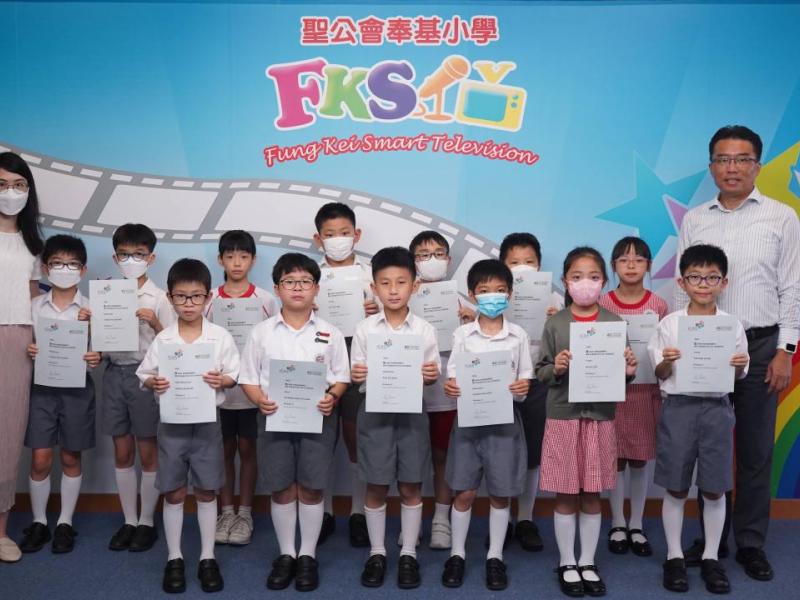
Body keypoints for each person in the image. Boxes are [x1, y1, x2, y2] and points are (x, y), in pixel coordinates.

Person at [676, 125, 800, 581]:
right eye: (724, 159)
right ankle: (712, 539)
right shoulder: (695, 219)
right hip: (706, 342)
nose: (733, 168)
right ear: (711, 167)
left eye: (742, 159)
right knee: (707, 445)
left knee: (754, 450)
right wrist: (682, 341)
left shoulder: (782, 216)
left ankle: (750, 542)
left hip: (762, 345)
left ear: (758, 166)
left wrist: (786, 350)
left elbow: (793, 288)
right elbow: (684, 287)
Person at [240, 252, 350, 592]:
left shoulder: (331, 333)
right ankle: (287, 553)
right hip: (273, 418)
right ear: (277, 288)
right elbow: (248, 379)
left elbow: (342, 377)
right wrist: (259, 400)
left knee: (312, 487)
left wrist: (333, 396)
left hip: (318, 419)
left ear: (316, 288)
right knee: (282, 486)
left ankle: (307, 555)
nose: (298, 288)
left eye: (305, 281)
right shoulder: (261, 333)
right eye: (289, 282)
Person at [536, 246, 637, 597]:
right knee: (565, 493)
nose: (585, 283)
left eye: (593, 277)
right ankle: (567, 561)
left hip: (599, 419)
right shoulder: (555, 323)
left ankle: (588, 561)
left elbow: (622, 377)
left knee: (593, 493)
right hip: (563, 417)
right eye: (577, 277)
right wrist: (556, 368)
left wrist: (628, 371)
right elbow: (541, 372)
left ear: (604, 281)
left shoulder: (614, 324)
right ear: (565, 281)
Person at [649, 244, 749, 594]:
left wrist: (737, 366)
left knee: (715, 487)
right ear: (682, 282)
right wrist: (667, 360)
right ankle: (674, 556)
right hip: (679, 408)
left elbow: (736, 377)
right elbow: (659, 373)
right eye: (695, 277)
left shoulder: (731, 326)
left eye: (711, 277)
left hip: (717, 409)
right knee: (676, 486)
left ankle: (710, 557)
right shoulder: (669, 325)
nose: (703, 284)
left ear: (724, 282)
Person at [136, 259, 240, 594]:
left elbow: (233, 374)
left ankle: (207, 557)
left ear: (208, 297)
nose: (189, 303)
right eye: (181, 297)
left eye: (196, 296)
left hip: (208, 425)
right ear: (170, 298)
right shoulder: (164, 339)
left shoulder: (220, 337)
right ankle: (175, 557)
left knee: (207, 490)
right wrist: (153, 382)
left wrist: (221, 380)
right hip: (172, 426)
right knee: (174, 491)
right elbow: (144, 374)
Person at [350, 246, 440, 589]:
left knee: (411, 485)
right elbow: (356, 373)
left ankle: (408, 554)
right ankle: (377, 552)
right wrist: (358, 374)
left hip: (412, 413)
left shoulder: (425, 330)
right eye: (385, 283)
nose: (393, 290)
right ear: (374, 287)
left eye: (401, 282)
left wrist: (430, 374)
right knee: (375, 484)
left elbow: (432, 374)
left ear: (414, 286)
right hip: (375, 413)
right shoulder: (364, 329)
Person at [440, 259, 532, 591]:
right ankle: (457, 554)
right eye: (484, 290)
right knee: (464, 491)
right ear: (472, 295)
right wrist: (452, 387)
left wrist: (521, 388)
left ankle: (495, 556)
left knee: (500, 493)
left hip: (505, 425)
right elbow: (452, 376)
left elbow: (525, 380)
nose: (492, 296)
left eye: (500, 290)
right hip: (469, 423)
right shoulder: (463, 334)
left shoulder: (518, 335)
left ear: (510, 294)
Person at [19, 235, 101, 555]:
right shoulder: (34, 307)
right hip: (41, 390)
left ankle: (65, 522)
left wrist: (95, 354)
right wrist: (29, 349)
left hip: (78, 390)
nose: (64, 269)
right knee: (40, 458)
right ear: (45, 268)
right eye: (57, 263)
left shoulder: (92, 309)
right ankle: (39, 521)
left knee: (70, 456)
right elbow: (21, 346)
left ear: (83, 270)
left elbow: (100, 352)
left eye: (71, 264)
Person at [104, 223, 175, 553]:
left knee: (148, 452)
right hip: (113, 374)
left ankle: (146, 521)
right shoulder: (106, 293)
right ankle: (129, 520)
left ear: (151, 258)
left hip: (145, 378)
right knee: (122, 452)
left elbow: (174, 344)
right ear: (115, 258)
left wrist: (156, 322)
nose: (131, 260)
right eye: (124, 254)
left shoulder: (160, 298)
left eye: (139, 254)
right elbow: (100, 343)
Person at [313, 202, 379, 546]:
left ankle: (357, 512)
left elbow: (391, 315)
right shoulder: (310, 275)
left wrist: (375, 310)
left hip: (358, 360)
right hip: (318, 358)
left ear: (357, 235)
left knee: (356, 438)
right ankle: (323, 512)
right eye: (329, 234)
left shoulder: (371, 277)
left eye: (344, 233)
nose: (337, 239)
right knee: (320, 439)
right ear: (318, 239)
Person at [205, 230, 277, 547]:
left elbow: (276, 339)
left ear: (253, 260)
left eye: (243, 256)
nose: (237, 262)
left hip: (251, 391)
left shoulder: (265, 300)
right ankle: (226, 512)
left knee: (248, 450)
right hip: (218, 391)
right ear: (220, 259)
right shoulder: (209, 298)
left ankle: (245, 513)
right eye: (230, 256)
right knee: (223, 451)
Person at [598, 236, 668, 557]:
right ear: (613, 266)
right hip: (611, 394)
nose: (631, 265)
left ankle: (636, 524)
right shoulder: (602, 303)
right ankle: (617, 522)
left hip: (644, 392)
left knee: (639, 458)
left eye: (638, 260)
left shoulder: (659, 306)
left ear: (648, 266)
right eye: (624, 260)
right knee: (615, 458)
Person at [405, 230, 469, 550]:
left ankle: (441, 518)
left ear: (448, 258)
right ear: (413, 261)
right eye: (422, 254)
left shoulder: (462, 302)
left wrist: (471, 322)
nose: (431, 259)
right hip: (409, 393)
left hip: (445, 394)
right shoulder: (403, 296)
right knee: (412, 457)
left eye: (438, 253)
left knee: (444, 456)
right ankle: (412, 521)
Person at [499, 232, 563, 551]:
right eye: (514, 262)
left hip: (538, 381)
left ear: (539, 265)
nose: (522, 267)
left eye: (529, 261)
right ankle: (502, 519)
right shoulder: (494, 294)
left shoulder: (554, 299)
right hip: (501, 381)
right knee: (501, 449)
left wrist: (556, 321)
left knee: (533, 450)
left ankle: (525, 517)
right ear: (503, 266)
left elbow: (564, 346)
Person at [0, 151, 44, 563]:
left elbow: (36, 297)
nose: (10, 193)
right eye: (1, 185)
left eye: (18, 185)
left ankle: (0, 530)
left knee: (8, 433)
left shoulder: (34, 244)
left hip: (18, 336)